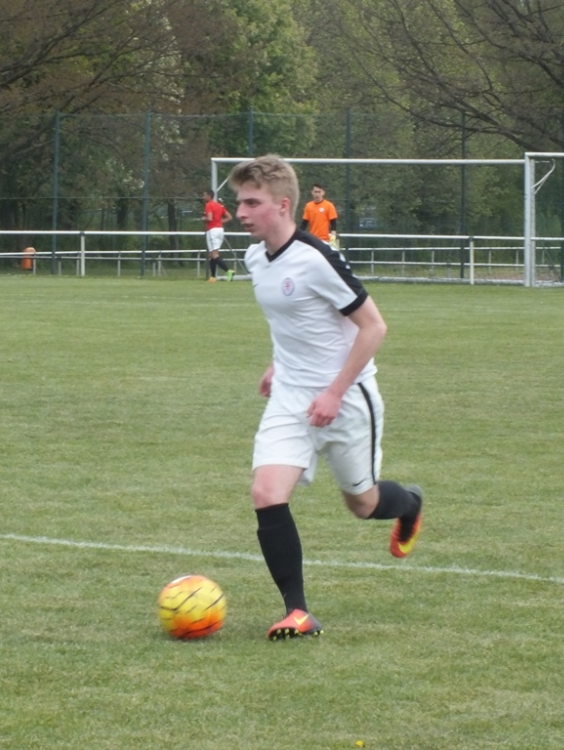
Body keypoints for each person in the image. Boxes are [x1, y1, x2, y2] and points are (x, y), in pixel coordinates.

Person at [229, 155, 423, 641]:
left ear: (282, 205)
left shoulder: (316, 259)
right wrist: (278, 364)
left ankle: (409, 505)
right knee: (266, 493)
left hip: (347, 398)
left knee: (363, 503)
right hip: (290, 397)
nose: (241, 213)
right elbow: (291, 321)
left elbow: (373, 327)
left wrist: (334, 392)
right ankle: (298, 611)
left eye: (251, 203)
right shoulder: (256, 258)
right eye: (239, 203)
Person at [202, 189, 234, 282]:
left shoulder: (209, 205)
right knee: (213, 254)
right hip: (220, 230)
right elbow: (230, 217)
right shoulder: (219, 205)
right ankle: (213, 277)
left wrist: (203, 219)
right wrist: (219, 222)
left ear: (209, 196)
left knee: (214, 254)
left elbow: (209, 218)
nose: (203, 197)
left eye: (204, 195)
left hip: (212, 231)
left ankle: (228, 271)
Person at [300, 183, 339, 248]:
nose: (317, 194)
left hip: (324, 241)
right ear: (312, 192)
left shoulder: (329, 205)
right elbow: (304, 224)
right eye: (315, 192)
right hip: (312, 240)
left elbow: (333, 224)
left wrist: (333, 239)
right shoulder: (308, 206)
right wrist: (299, 236)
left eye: (319, 192)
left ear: (323, 193)